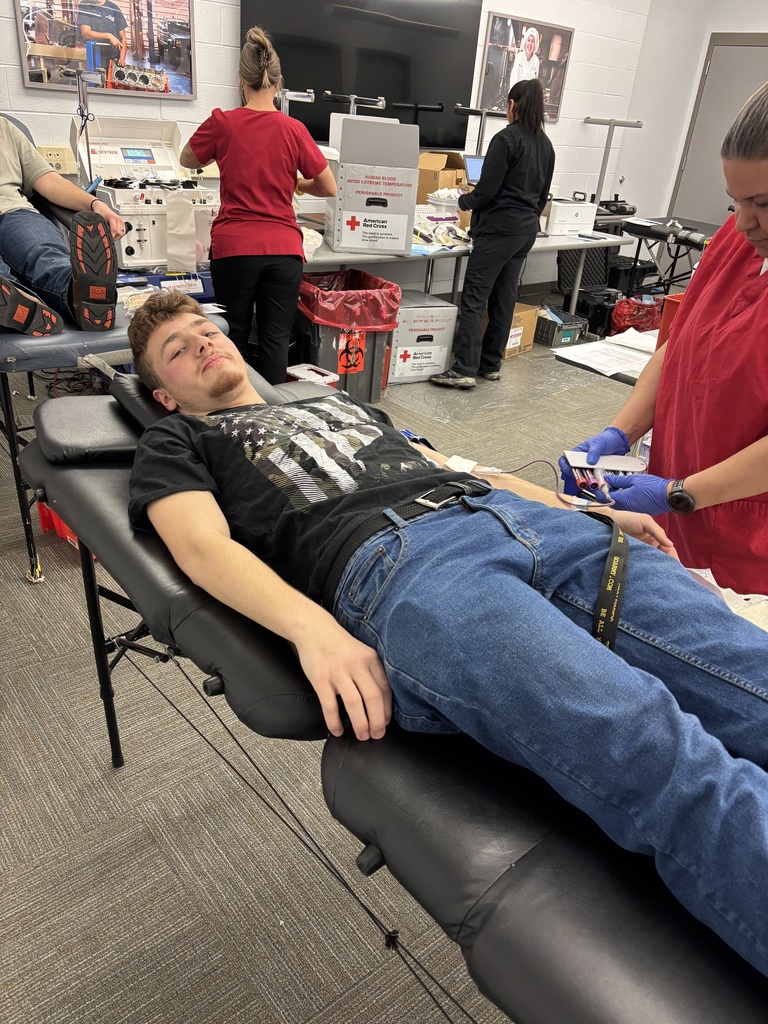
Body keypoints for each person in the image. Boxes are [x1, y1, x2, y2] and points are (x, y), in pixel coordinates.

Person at [126, 290, 768, 978]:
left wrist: (583, 509)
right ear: (165, 395)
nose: (200, 342)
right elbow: (198, 547)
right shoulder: (180, 440)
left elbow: (465, 471)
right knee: (651, 747)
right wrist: (315, 630)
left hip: (522, 523)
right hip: (404, 567)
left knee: (749, 677)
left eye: (204, 328)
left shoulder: (333, 403)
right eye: (176, 350)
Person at [561, 81, 768, 596]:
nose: (744, 222)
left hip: (749, 536)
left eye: (763, 203)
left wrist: (682, 492)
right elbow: (681, 348)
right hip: (683, 508)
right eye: (733, 202)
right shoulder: (738, 243)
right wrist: (620, 434)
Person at [178, 25, 336, 385]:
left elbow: (187, 159)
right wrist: (300, 183)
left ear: (241, 79)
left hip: (235, 250)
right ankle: (272, 421)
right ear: (278, 83)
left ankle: (232, 411)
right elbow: (329, 186)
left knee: (230, 335)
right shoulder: (294, 129)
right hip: (283, 251)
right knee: (275, 338)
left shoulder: (222, 122)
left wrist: (218, 152)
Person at [430, 79, 554, 388]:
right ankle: (490, 364)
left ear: (512, 105)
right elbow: (543, 196)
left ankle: (463, 369)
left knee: (474, 298)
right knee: (504, 297)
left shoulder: (505, 139)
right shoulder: (546, 145)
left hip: (499, 230)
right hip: (525, 231)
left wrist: (462, 200)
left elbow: (486, 191)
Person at [0, 115, 125, 336]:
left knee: (44, 255)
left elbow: (48, 180)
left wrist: (95, 204)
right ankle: (16, 299)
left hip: (14, 211)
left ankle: (77, 293)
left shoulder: (4, 127)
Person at [77, 0, 127, 69]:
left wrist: (121, 59)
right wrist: (108, 36)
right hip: (93, 59)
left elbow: (123, 38)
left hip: (113, 59)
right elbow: (86, 33)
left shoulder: (114, 8)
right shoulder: (85, 5)